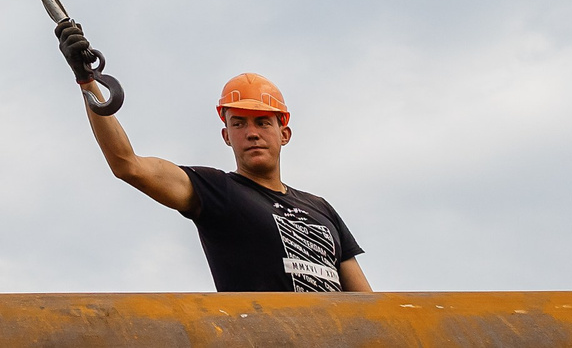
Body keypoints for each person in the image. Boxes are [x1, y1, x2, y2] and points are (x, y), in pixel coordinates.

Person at [83, 72, 369, 294]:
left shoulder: (320, 209)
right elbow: (128, 165)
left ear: (285, 133)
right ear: (226, 136)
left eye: (263, 122)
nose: (252, 133)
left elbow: (368, 305)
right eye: (239, 123)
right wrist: (88, 83)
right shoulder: (218, 191)